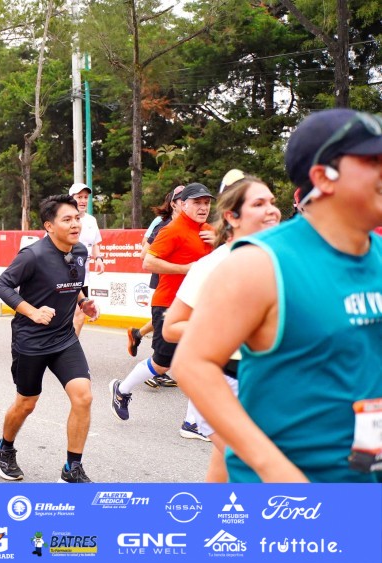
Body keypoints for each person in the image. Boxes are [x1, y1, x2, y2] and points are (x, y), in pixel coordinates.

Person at [173, 108, 382, 483]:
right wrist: (274, 469)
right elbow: (192, 364)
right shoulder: (259, 263)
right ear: (324, 177)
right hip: (291, 500)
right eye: (372, 160)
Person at [162, 171, 281, 481]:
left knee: (225, 465)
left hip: (270, 383)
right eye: (258, 204)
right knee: (251, 464)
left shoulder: (283, 259)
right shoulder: (212, 264)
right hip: (225, 383)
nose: (271, 210)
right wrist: (234, 330)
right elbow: (171, 328)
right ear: (232, 216)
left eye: (272, 202)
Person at [0, 194, 99, 483]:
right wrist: (32, 312)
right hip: (31, 341)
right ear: (49, 226)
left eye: (77, 218)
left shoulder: (80, 251)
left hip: (64, 338)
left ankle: (72, 468)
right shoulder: (33, 255)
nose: (75, 224)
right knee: (27, 403)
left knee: (84, 396)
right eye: (67, 219)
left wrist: (83, 302)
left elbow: (73, 283)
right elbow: (2, 286)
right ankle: (4, 447)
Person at [109, 183, 214, 423]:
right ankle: (122, 390)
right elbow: (148, 262)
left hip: (198, 305)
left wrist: (219, 238)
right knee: (161, 364)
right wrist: (186, 269)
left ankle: (193, 423)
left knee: (202, 362)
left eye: (207, 203)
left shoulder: (208, 231)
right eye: (197, 203)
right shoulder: (172, 230)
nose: (203, 207)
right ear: (182, 204)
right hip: (169, 305)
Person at [126, 186, 183, 358]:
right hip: (165, 277)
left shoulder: (194, 225)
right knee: (168, 315)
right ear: (173, 204)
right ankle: (159, 362)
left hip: (182, 279)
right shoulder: (163, 224)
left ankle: (137, 334)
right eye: (183, 200)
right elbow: (145, 253)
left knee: (173, 314)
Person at [68, 183, 104, 337]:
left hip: (83, 277)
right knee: (70, 315)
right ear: (71, 198)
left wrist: (99, 258)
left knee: (80, 315)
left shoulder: (91, 220)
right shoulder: (63, 220)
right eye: (79, 197)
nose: (83, 201)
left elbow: (95, 243)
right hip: (64, 275)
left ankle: (71, 347)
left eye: (85, 197)